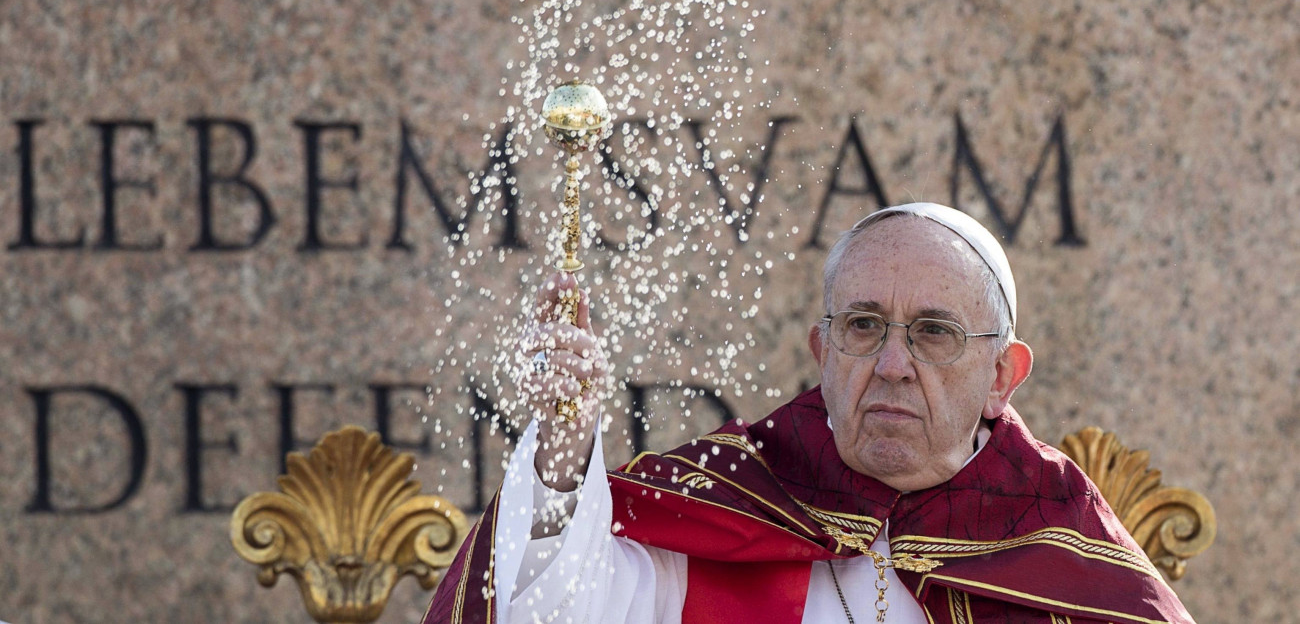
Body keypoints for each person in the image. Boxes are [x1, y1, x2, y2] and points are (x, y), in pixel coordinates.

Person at [424, 202, 1197, 624]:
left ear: (1002, 375)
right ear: (822, 352)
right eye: (863, 327)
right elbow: (558, 609)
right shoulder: (725, 507)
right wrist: (565, 455)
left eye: (934, 333)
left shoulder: (1071, 567)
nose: (893, 365)